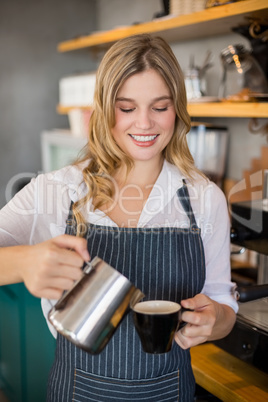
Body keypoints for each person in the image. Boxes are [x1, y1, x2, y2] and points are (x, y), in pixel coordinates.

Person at [0, 34, 238, 402]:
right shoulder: (59, 190)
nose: (144, 124)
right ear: (103, 109)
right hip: (78, 392)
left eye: (160, 106)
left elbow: (224, 305)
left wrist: (215, 320)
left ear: (178, 109)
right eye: (126, 108)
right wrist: (24, 261)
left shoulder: (205, 199)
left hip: (169, 393)